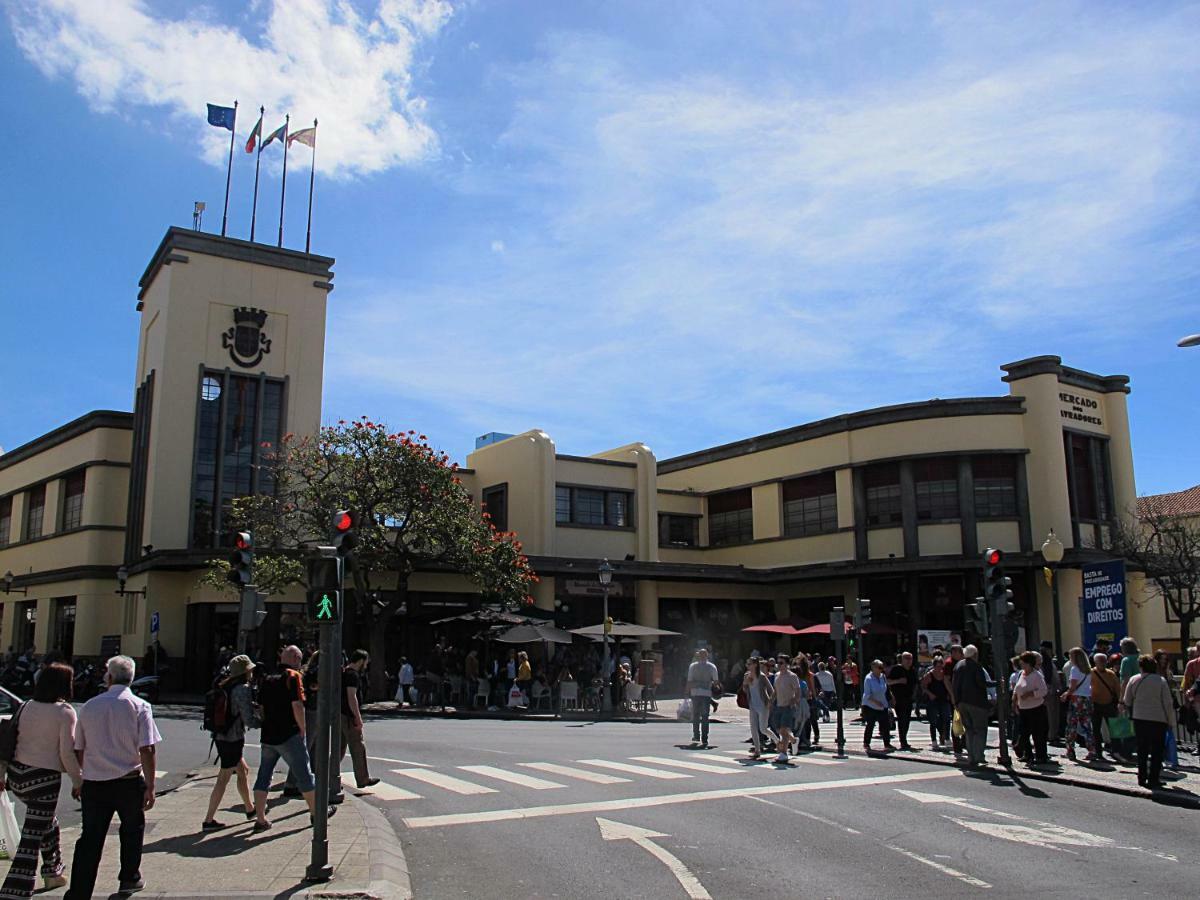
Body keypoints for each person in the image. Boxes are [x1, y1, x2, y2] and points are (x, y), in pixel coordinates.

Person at [63, 656, 161, 900]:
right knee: (132, 830)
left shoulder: (89, 706)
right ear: (132, 678)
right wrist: (150, 785)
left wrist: (79, 779)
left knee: (90, 838)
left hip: (95, 783)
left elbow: (79, 748)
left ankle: (80, 891)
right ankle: (129, 877)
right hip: (128, 780)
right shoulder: (140, 706)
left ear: (108, 676)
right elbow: (147, 748)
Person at [0, 663, 80, 897]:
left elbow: (8, 742)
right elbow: (67, 753)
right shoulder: (65, 712)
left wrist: (2, 774)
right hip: (44, 780)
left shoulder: (25, 707)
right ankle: (16, 888)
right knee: (32, 834)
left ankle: (53, 872)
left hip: (18, 776)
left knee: (47, 822)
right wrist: (79, 781)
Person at [252, 646, 333, 832]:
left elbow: (261, 708)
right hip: (289, 734)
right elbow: (297, 705)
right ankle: (316, 813)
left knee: (264, 776)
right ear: (296, 659)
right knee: (304, 774)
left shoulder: (267, 678)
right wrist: (302, 729)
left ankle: (260, 818)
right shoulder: (293, 677)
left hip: (268, 735)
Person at [202, 655, 259, 830]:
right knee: (223, 778)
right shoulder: (242, 689)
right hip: (232, 738)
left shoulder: (226, 685)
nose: (252, 672)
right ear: (245, 671)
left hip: (221, 736)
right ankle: (208, 820)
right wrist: (263, 721)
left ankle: (250, 809)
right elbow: (249, 719)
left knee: (243, 771)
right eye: (250, 669)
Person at [1124, 654, 1177, 789]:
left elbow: (1127, 700)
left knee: (1142, 749)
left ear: (1140, 666)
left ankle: (1141, 777)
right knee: (1157, 751)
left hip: (1139, 718)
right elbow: (1168, 703)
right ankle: (1154, 779)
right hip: (1158, 719)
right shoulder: (1160, 681)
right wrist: (1171, 721)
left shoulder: (1134, 679)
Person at [338, 650, 380, 791]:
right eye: (366, 662)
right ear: (361, 661)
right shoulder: (353, 675)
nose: (367, 665)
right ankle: (363, 778)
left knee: (339, 749)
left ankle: (329, 777)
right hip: (348, 717)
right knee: (358, 747)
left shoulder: (344, 672)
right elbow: (352, 697)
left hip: (340, 714)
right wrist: (357, 717)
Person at [953, 645, 990, 768]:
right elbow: (981, 683)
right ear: (975, 654)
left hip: (962, 702)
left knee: (968, 730)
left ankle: (971, 757)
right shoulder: (976, 666)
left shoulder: (958, 665)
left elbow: (954, 684)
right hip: (976, 703)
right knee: (980, 729)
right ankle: (979, 755)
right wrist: (995, 684)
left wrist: (956, 702)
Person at [1011, 651, 1049, 765]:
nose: (1021, 665)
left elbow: (1043, 691)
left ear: (1029, 663)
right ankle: (1027, 754)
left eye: (1023, 663)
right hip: (1023, 708)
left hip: (1036, 708)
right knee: (1024, 733)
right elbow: (1017, 689)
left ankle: (1041, 756)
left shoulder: (1036, 675)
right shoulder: (1021, 674)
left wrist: (1030, 694)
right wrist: (1014, 701)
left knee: (1038, 733)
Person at [1060, 647, 1094, 762]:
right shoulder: (1088, 670)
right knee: (1087, 725)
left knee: (1071, 726)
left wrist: (1066, 694)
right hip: (1087, 698)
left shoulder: (1075, 669)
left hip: (1076, 698)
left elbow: (1073, 686)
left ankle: (1070, 751)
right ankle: (1092, 750)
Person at [1088, 652, 1121, 763]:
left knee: (1114, 729)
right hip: (1095, 705)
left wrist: (1120, 702)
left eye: (1104, 661)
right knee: (1096, 731)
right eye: (1100, 661)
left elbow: (1118, 689)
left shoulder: (1111, 674)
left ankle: (1116, 750)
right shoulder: (1090, 673)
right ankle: (1098, 752)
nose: (1102, 663)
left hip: (1109, 704)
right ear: (1095, 662)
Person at [770, 656, 801, 764]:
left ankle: (783, 753)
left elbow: (797, 691)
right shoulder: (777, 676)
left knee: (783, 730)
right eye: (778, 663)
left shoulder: (792, 676)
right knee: (779, 730)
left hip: (788, 706)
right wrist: (770, 701)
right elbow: (775, 690)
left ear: (787, 664)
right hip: (778, 705)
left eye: (781, 663)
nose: (779, 665)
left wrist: (794, 701)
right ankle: (793, 740)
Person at [742, 657, 774, 759]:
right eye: (747, 664)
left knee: (763, 729)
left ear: (755, 665)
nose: (747, 666)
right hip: (753, 705)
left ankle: (777, 741)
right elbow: (744, 689)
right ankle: (757, 750)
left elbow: (771, 690)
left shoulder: (762, 677)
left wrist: (770, 702)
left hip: (763, 705)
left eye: (749, 664)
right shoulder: (747, 675)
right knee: (753, 728)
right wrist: (745, 683)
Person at [686, 649, 719, 747]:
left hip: (695, 693)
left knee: (696, 716)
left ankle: (696, 735)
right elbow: (716, 681)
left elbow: (689, 681)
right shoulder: (712, 666)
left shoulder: (693, 666)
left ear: (698, 656)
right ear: (707, 656)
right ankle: (705, 738)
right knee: (705, 717)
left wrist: (686, 692)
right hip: (706, 693)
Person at [921, 653, 953, 750]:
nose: (939, 668)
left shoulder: (944, 675)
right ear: (934, 665)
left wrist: (949, 694)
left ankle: (947, 738)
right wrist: (930, 694)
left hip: (944, 699)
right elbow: (923, 686)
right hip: (933, 700)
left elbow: (948, 685)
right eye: (937, 666)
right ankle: (934, 740)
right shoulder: (929, 675)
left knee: (947, 719)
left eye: (941, 665)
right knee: (933, 721)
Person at [861, 660, 893, 752]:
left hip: (882, 705)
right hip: (870, 705)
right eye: (879, 667)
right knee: (870, 724)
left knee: (885, 725)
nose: (881, 669)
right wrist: (876, 702)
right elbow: (867, 695)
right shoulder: (868, 678)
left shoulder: (883, 677)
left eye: (882, 667)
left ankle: (887, 744)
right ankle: (866, 743)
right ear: (873, 668)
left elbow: (886, 689)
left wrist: (891, 698)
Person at [887, 652, 917, 751]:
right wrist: (899, 681)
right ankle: (903, 741)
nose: (909, 661)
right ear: (902, 660)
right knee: (902, 719)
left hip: (909, 698)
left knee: (907, 720)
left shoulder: (912, 671)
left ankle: (904, 740)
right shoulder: (896, 669)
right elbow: (888, 681)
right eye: (906, 659)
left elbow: (915, 684)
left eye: (910, 659)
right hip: (898, 698)